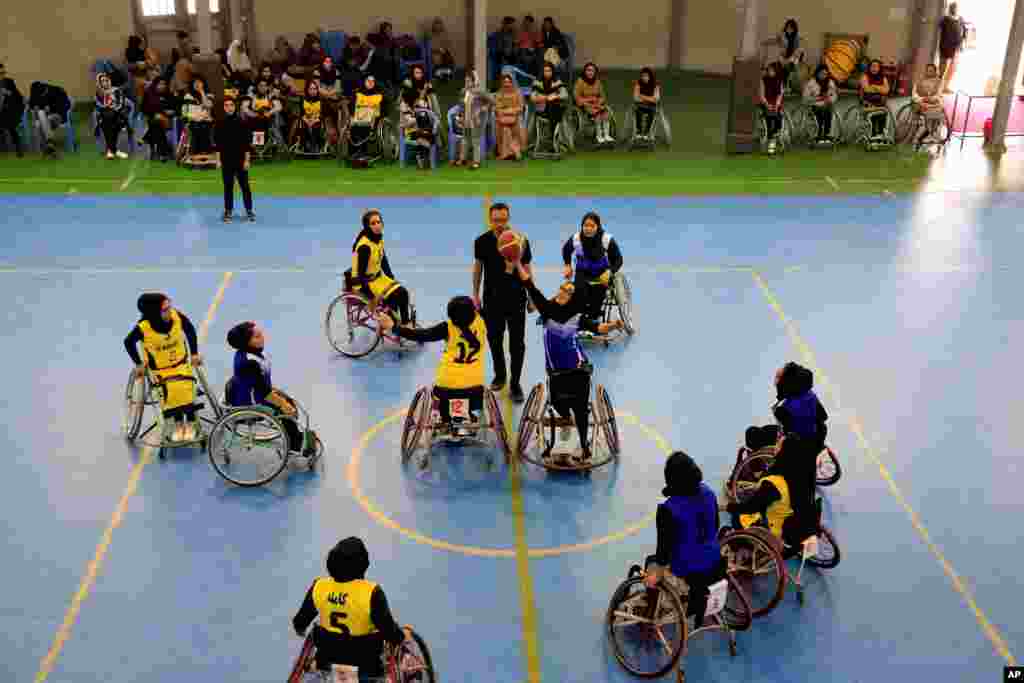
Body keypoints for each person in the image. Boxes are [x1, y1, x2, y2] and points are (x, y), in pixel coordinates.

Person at [514, 262, 623, 460]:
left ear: (573, 298)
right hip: (556, 372)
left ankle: (584, 445)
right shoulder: (546, 309)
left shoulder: (578, 317)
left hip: (578, 369)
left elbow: (599, 328)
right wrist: (516, 263)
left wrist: (615, 324)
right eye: (563, 288)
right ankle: (565, 418)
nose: (564, 291)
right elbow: (529, 285)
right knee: (558, 404)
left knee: (581, 409)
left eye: (569, 290)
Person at [293, 538, 411, 677]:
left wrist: (300, 629)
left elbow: (300, 621)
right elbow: (388, 629)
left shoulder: (319, 586)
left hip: (327, 658)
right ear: (364, 564)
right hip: (367, 664)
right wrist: (402, 638)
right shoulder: (371, 592)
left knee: (320, 635)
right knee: (396, 637)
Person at [644, 451, 726, 628]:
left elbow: (663, 554)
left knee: (650, 563)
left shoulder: (668, 509)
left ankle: (650, 613)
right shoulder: (709, 493)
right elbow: (716, 526)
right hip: (715, 562)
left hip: (689, 571)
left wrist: (654, 575)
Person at [378, 296, 487, 428]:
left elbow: (420, 334)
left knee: (440, 392)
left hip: (446, 387)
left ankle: (446, 417)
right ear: (473, 312)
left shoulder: (447, 327)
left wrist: (392, 327)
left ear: (451, 317)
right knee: (469, 392)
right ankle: (465, 415)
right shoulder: (483, 321)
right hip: (474, 388)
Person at [225, 321, 319, 457]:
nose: (262, 337)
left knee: (288, 402)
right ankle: (294, 445)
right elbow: (263, 391)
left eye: (261, 334)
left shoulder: (252, 353)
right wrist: (283, 404)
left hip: (251, 392)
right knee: (285, 409)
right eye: (257, 337)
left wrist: (281, 398)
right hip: (249, 401)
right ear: (247, 343)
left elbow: (260, 383)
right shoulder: (250, 362)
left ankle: (296, 436)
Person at [473, 202, 532, 402]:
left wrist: (532, 297)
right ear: (490, 219)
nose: (500, 223)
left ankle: (515, 383)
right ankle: (500, 375)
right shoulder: (481, 241)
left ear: (508, 218)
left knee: (518, 345)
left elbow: (528, 268)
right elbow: (478, 268)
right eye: (496, 220)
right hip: (492, 300)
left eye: (503, 219)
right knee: (494, 340)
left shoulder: (521, 241)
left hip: (516, 299)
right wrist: (475, 294)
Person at [123, 293, 201, 442]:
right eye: (165, 309)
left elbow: (190, 330)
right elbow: (128, 342)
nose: (170, 311)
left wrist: (195, 353)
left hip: (181, 364)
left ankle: (190, 422)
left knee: (187, 387)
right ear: (154, 313)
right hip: (160, 371)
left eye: (169, 307)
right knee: (171, 391)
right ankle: (178, 423)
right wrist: (138, 364)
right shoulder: (143, 328)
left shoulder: (176, 316)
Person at [724, 432, 817, 549]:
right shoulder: (804, 474)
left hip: (774, 531)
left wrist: (728, 507)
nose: (775, 447)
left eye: (778, 445)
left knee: (737, 517)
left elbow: (750, 508)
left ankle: (743, 546)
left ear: (785, 453)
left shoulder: (773, 484)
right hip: (796, 521)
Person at [561, 211, 623, 330]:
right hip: (582, 272)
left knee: (597, 295)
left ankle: (594, 318)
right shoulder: (576, 238)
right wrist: (568, 265)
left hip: (601, 273)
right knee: (579, 293)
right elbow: (566, 250)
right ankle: (582, 319)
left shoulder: (606, 239)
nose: (588, 229)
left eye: (592, 226)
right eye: (585, 225)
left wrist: (610, 271)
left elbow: (618, 260)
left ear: (597, 226)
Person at [349, 210, 411, 326]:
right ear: (367, 226)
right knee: (393, 297)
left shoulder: (378, 239)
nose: (377, 225)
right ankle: (392, 323)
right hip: (366, 283)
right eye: (373, 223)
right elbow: (360, 275)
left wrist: (391, 279)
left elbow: (383, 260)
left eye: (378, 222)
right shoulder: (365, 246)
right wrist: (371, 297)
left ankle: (405, 324)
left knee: (403, 292)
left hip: (378, 278)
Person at [214, 96, 255, 223]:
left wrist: (247, 160)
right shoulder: (219, 123)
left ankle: (249, 210)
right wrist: (218, 160)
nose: (229, 107)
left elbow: (246, 144)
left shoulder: (242, 122)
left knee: (245, 186)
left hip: (240, 160)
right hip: (226, 160)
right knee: (228, 187)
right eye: (226, 105)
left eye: (231, 105)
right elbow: (218, 145)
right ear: (224, 108)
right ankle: (228, 211)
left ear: (234, 106)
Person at [95, 73, 129, 160]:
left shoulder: (117, 90)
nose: (105, 83)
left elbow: (121, 104)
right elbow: (98, 105)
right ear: (99, 83)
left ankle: (110, 151)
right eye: (102, 81)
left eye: (106, 80)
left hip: (117, 115)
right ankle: (114, 150)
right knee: (106, 120)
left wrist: (113, 108)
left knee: (109, 121)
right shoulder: (99, 93)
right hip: (104, 115)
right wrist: (106, 106)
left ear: (110, 81)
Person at [802, 65, 838, 144]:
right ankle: (819, 134)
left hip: (826, 103)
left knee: (828, 111)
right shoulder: (811, 83)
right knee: (822, 110)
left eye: (825, 74)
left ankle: (826, 134)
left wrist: (830, 100)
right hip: (814, 105)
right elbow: (805, 98)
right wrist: (817, 99)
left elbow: (834, 95)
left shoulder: (830, 82)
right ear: (817, 73)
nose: (823, 76)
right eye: (822, 74)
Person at [912, 63, 945, 146]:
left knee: (938, 112)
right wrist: (922, 99)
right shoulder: (919, 80)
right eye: (928, 70)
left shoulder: (939, 81)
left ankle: (930, 134)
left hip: (934, 103)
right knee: (927, 112)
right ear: (925, 71)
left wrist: (932, 99)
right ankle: (924, 135)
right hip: (921, 103)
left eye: (931, 70)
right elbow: (914, 94)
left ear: (935, 72)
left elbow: (939, 94)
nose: (929, 72)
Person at [859, 59, 890, 143]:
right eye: (872, 66)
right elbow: (867, 89)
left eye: (876, 66)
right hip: (867, 103)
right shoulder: (865, 76)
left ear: (880, 68)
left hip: (880, 103)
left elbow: (886, 90)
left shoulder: (883, 78)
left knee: (883, 113)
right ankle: (873, 136)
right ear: (869, 67)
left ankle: (880, 135)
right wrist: (880, 89)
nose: (874, 68)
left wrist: (874, 86)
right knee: (875, 114)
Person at [938, 3, 966, 94]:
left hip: (956, 47)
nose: (954, 9)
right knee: (942, 69)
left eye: (956, 8)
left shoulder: (961, 19)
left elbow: (964, 31)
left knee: (953, 68)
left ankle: (946, 87)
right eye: (952, 7)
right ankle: (938, 88)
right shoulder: (945, 19)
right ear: (949, 9)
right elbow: (940, 29)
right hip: (945, 47)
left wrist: (962, 43)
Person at [0, 64, 26, 157]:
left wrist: (8, 93)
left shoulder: (9, 82)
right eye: (0, 73)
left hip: (8, 111)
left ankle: (18, 148)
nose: (2, 75)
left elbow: (19, 97)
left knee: (10, 124)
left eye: (3, 73)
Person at [759, 62, 784, 154]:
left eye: (772, 70)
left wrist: (777, 105)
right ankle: (771, 139)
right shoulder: (763, 80)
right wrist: (767, 105)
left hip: (775, 103)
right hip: (765, 102)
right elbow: (761, 95)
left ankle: (775, 133)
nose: (770, 71)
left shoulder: (779, 81)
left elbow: (780, 95)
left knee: (778, 115)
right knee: (769, 117)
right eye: (768, 70)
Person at [632, 67, 660, 141]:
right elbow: (635, 98)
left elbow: (656, 99)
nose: (644, 78)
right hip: (640, 106)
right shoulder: (638, 83)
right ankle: (639, 131)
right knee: (638, 112)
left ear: (650, 76)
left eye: (646, 76)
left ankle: (647, 132)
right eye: (643, 76)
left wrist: (642, 96)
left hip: (651, 106)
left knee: (652, 113)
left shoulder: (655, 84)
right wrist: (650, 99)